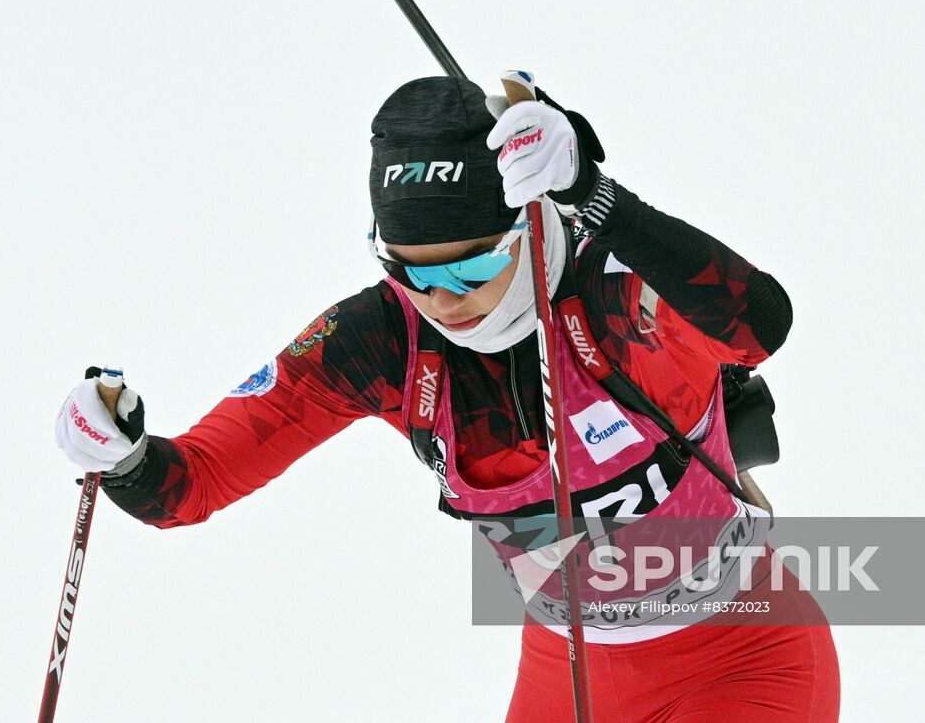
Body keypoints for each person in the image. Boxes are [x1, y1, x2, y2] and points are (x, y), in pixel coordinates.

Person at [54, 75, 840, 721]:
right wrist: (118, 455)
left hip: (742, 657)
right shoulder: (383, 342)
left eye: (470, 269)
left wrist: (596, 195)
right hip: (567, 680)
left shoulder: (615, 294)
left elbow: (759, 325)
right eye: (411, 271)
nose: (444, 300)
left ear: (529, 225)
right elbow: (186, 487)